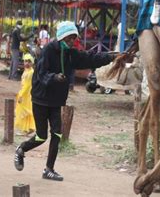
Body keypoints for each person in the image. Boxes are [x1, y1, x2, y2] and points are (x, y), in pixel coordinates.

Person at [13, 21, 119, 181]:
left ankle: (49, 169)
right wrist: (54, 77)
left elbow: (90, 58)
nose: (71, 41)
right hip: (41, 99)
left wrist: (111, 57)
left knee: (57, 133)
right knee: (41, 136)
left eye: (73, 38)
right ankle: (21, 149)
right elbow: (41, 73)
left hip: (56, 100)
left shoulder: (71, 53)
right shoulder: (49, 50)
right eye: (69, 38)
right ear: (62, 37)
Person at [15, 54, 36, 135]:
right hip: (24, 93)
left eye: (29, 61)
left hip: (27, 95)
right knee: (25, 111)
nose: (27, 63)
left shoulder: (30, 72)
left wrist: (21, 95)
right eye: (25, 61)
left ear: (32, 63)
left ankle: (28, 129)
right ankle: (27, 129)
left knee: (26, 111)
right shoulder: (26, 71)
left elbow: (27, 86)